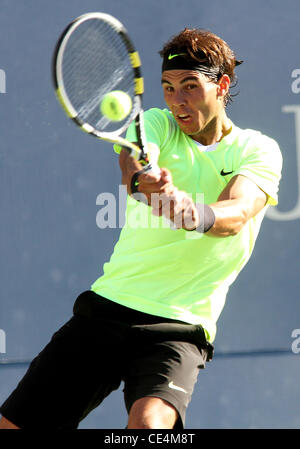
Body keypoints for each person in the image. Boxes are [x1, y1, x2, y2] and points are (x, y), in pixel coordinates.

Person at [0, 28, 282, 430]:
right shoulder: (154, 123)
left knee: (150, 427)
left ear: (221, 86)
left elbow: (237, 213)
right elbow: (133, 169)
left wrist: (189, 210)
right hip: (110, 306)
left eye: (189, 86)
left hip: (180, 325)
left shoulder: (258, 149)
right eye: (168, 87)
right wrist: (144, 184)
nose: (177, 100)